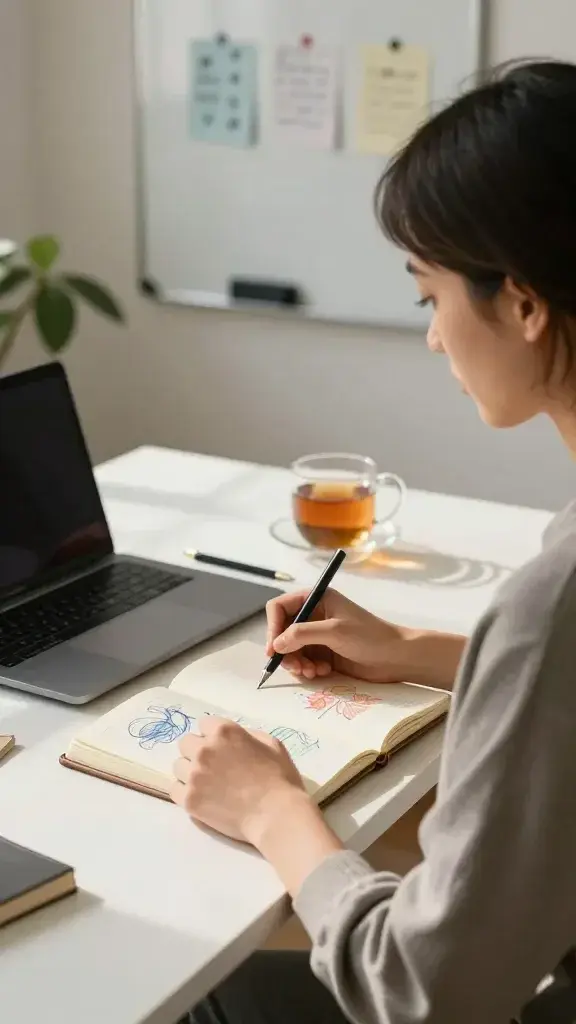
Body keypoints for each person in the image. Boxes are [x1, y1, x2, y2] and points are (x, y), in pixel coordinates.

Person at [172, 60, 576, 1023]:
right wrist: (415, 650)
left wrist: (271, 810)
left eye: (429, 297)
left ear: (523, 305)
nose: (434, 338)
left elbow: (426, 989)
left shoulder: (554, 598)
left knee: (194, 983)